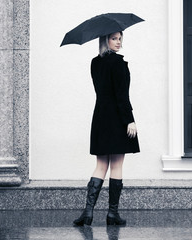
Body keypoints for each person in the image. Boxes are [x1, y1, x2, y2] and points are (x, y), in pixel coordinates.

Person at [74, 31, 140, 226]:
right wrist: (130, 120)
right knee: (117, 165)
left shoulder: (95, 63)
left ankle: (88, 213)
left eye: (120, 39)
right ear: (105, 40)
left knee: (101, 165)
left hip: (101, 117)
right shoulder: (119, 64)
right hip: (118, 119)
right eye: (114, 38)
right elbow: (121, 96)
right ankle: (112, 214)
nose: (118, 42)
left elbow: (104, 92)